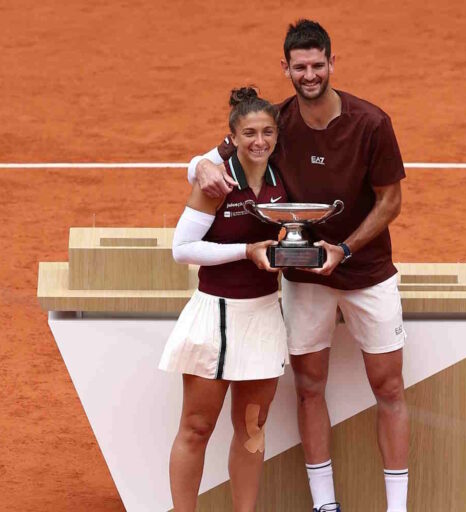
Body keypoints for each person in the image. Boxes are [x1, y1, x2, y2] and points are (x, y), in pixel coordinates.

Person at [188, 20, 409, 512]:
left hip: (368, 273)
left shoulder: (372, 123)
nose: (309, 75)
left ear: (332, 63)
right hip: (305, 277)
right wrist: (198, 165)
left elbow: (391, 201)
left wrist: (344, 249)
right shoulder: (277, 123)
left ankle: (397, 508)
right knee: (309, 387)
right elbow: (215, 156)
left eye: (317, 65)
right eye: (300, 67)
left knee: (389, 386)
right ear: (285, 68)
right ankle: (324, 505)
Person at [159, 86, 289, 512]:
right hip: (215, 317)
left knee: (252, 428)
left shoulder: (283, 180)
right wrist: (246, 251)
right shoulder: (216, 182)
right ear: (232, 137)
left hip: (263, 316)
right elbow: (182, 249)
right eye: (249, 133)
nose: (259, 141)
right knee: (197, 427)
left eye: (267, 132)